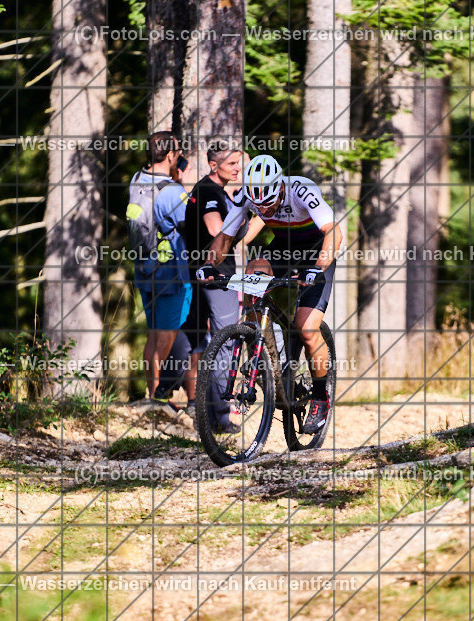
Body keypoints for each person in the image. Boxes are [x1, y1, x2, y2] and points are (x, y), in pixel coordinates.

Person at [197, 154, 343, 434]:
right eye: (260, 205)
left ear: (281, 188)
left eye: (271, 202)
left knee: (307, 329)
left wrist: (319, 268)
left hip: (316, 251)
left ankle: (321, 397)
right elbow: (225, 236)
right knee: (253, 271)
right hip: (283, 248)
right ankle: (263, 344)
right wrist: (209, 264)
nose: (266, 208)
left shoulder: (301, 189)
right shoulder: (248, 197)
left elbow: (332, 230)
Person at [180, 143, 246, 433]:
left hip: (204, 272)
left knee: (197, 336)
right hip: (217, 274)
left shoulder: (211, 190)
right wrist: (242, 223)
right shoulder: (208, 191)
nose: (236, 168)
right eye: (231, 163)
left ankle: (174, 396)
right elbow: (213, 228)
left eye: (238, 163)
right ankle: (219, 418)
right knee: (226, 341)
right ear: (213, 165)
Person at [127, 131, 192, 405]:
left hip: (144, 267)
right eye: (177, 152)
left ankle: (153, 395)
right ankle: (157, 400)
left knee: (153, 336)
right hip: (171, 272)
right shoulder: (173, 193)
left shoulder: (137, 181)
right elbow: (192, 224)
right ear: (169, 155)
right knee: (167, 338)